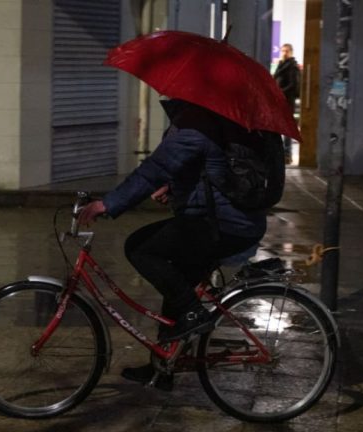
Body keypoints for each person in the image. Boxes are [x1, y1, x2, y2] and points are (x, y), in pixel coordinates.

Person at [78, 99, 267, 390]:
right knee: (176, 287)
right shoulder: (206, 117)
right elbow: (205, 169)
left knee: (139, 247)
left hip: (222, 226)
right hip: (225, 222)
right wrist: (174, 189)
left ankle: (193, 314)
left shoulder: (197, 123)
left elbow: (156, 168)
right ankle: (163, 366)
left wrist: (108, 203)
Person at [273, 43, 300, 164]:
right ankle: (281, 153)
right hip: (279, 100)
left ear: (291, 52)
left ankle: (287, 154)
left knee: (286, 128)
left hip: (287, 101)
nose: (284, 53)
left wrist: (280, 92)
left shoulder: (292, 66)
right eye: (282, 50)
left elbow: (293, 85)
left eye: (286, 51)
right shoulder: (281, 65)